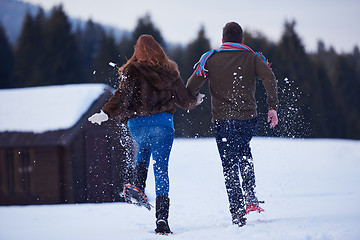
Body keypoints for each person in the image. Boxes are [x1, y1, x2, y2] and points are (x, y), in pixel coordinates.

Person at [88, 34, 203, 235]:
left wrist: (104, 113)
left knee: (143, 147)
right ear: (158, 49)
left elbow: (121, 96)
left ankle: (138, 185)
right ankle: (161, 219)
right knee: (161, 170)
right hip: (163, 126)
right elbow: (184, 100)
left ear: (137, 51)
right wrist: (196, 100)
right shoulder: (170, 72)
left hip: (138, 126)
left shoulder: (131, 70)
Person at [186, 22, 279, 227]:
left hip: (223, 120)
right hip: (248, 119)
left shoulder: (210, 58)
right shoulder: (252, 57)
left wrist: (192, 99)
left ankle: (237, 213)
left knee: (229, 165)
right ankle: (251, 196)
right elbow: (269, 77)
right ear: (242, 40)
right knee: (243, 150)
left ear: (222, 39)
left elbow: (191, 86)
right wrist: (272, 107)